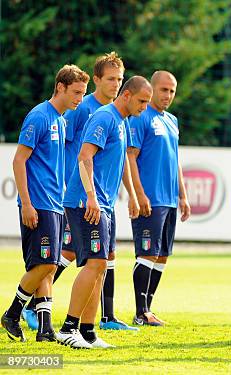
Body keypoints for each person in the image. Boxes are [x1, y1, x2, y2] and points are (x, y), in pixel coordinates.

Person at [20, 52, 137, 332]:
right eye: (110, 79)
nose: (115, 84)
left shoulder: (121, 114)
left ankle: (103, 318)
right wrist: (69, 187)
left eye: (119, 79)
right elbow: (67, 149)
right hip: (80, 197)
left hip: (102, 199)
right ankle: (33, 307)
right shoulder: (82, 108)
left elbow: (120, 159)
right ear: (97, 79)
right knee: (72, 254)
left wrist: (131, 193)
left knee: (101, 257)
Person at [56, 76, 151, 349]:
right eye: (142, 101)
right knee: (95, 264)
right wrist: (91, 197)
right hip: (84, 203)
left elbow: (119, 163)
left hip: (105, 205)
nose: (145, 106)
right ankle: (68, 328)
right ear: (126, 96)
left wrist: (130, 196)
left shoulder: (123, 122)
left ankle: (87, 331)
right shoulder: (104, 117)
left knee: (103, 267)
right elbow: (84, 156)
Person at [1, 65, 89, 342]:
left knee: (48, 264)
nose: (79, 98)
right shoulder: (39, 116)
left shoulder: (62, 121)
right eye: (76, 92)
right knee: (44, 265)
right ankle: (12, 314)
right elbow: (19, 160)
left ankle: (45, 328)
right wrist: (26, 203)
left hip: (54, 203)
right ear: (60, 87)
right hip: (37, 203)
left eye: (83, 93)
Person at [128, 71, 190, 326]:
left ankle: (148, 309)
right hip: (150, 199)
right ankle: (141, 312)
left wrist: (183, 196)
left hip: (170, 200)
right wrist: (139, 193)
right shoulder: (141, 117)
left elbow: (175, 161)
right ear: (152, 90)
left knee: (162, 255)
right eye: (163, 90)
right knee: (147, 254)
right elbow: (130, 156)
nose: (167, 95)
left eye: (172, 91)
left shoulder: (172, 120)